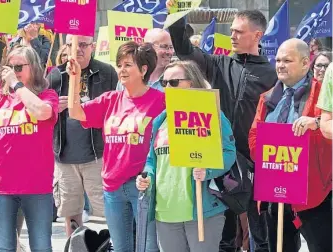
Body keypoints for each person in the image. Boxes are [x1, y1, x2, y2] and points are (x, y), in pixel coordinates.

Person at [166, 1, 278, 251]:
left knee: (260, 235)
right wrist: (176, 15)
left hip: (255, 163)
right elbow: (184, 50)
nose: (232, 35)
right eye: (232, 30)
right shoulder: (219, 64)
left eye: (239, 31)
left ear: (257, 35)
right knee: (223, 236)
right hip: (220, 161)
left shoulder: (272, 74)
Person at [68, 41, 165, 252]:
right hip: (112, 188)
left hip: (143, 186)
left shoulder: (161, 101)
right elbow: (75, 112)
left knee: (148, 248)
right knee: (121, 248)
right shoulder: (110, 99)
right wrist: (74, 78)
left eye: (128, 65)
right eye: (119, 64)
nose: (121, 70)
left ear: (144, 69)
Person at [136, 60, 236, 252]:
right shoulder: (161, 120)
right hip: (165, 211)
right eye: (164, 83)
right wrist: (146, 176)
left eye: (174, 82)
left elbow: (229, 152)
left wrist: (208, 171)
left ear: (192, 82)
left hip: (201, 210)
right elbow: (152, 160)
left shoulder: (212, 113)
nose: (167, 87)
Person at [249, 38, 332, 252]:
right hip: (275, 191)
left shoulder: (323, 94)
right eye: (277, 60)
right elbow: (254, 138)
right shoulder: (267, 98)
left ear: (306, 63)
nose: (280, 65)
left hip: (312, 194)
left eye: (287, 60)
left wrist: (315, 123)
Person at [0, 45, 58, 252]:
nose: (13, 72)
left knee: (41, 247)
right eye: (9, 67)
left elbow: (42, 113)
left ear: (33, 68)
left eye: (18, 67)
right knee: (4, 247)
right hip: (1, 184)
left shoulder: (46, 95)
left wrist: (16, 85)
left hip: (36, 184)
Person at [47, 34, 118, 236]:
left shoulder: (107, 72)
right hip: (64, 156)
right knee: (70, 213)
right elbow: (44, 109)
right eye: (71, 45)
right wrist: (53, 107)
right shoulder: (56, 74)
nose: (77, 49)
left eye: (83, 45)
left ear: (92, 46)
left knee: (107, 211)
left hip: (98, 154)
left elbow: (116, 106)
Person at [317, 62, 333, 139]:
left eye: (325, 66)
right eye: (319, 65)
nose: (322, 69)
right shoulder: (331, 70)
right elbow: (325, 125)